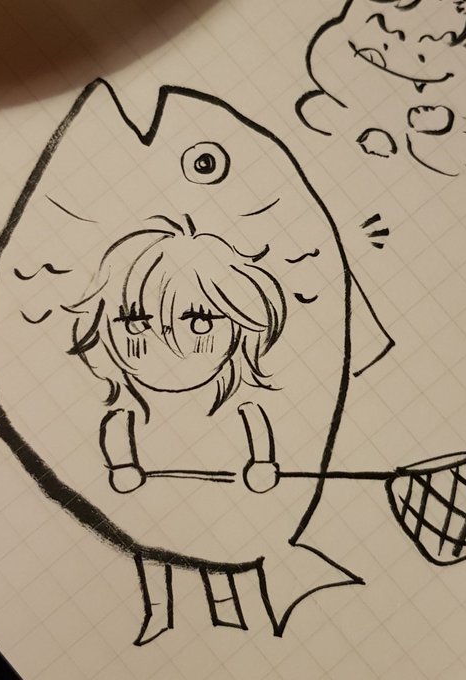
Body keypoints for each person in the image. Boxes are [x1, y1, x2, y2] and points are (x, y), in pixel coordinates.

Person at [69, 215, 286, 643]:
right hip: (153, 500)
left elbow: (254, 422)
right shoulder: (134, 406)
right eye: (136, 323)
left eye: (201, 321)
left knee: (223, 558)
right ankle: (159, 616)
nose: (169, 345)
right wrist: (123, 466)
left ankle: (232, 618)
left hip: (223, 498)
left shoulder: (230, 400)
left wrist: (262, 463)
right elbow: (118, 426)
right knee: (155, 556)